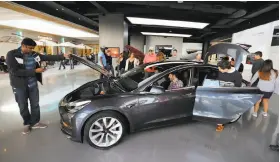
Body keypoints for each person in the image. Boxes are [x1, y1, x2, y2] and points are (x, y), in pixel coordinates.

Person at [6, 38, 68, 134]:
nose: (31, 50)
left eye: (33, 48)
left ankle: (35, 122)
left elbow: (47, 57)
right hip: (19, 86)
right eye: (30, 48)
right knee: (23, 105)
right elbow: (14, 71)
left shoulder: (34, 54)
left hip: (33, 84)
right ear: (23, 45)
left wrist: (63, 56)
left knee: (35, 104)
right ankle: (27, 123)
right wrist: (34, 71)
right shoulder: (12, 54)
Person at [216, 59, 242, 132]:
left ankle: (220, 124)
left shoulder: (237, 75)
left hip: (228, 95)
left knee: (223, 109)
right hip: (218, 93)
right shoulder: (220, 71)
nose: (219, 70)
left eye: (220, 69)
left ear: (226, 69)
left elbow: (237, 88)